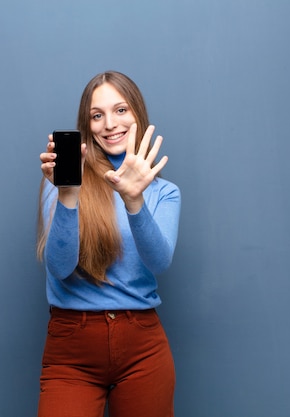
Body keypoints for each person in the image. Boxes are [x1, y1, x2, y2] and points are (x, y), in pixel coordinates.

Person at [35, 71, 181, 417]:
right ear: (87, 126)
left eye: (120, 110)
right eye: (96, 115)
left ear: (137, 115)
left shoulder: (164, 192)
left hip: (142, 346)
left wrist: (134, 201)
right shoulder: (60, 180)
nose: (109, 124)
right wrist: (68, 194)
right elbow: (59, 266)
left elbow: (159, 261)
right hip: (72, 349)